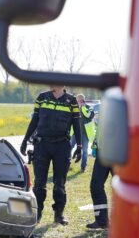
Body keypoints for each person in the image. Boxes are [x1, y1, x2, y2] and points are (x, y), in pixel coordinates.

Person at [20, 85, 82, 225]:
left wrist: (79, 146)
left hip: (62, 146)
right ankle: (37, 214)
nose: (50, 84)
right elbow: (34, 120)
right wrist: (25, 140)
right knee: (39, 183)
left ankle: (59, 215)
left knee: (59, 184)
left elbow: (76, 124)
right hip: (42, 145)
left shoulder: (71, 101)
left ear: (62, 85)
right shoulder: (42, 98)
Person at [87, 110, 112, 229]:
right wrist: (95, 145)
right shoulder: (107, 108)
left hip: (119, 153)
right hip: (102, 152)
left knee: (123, 189)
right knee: (95, 186)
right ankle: (102, 221)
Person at [70, 94, 95, 172]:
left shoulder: (89, 107)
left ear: (84, 100)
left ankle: (83, 167)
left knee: (84, 150)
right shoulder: (74, 108)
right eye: (78, 100)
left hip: (85, 133)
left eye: (81, 100)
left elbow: (88, 115)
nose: (79, 102)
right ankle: (67, 165)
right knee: (69, 147)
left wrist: (83, 107)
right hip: (75, 133)